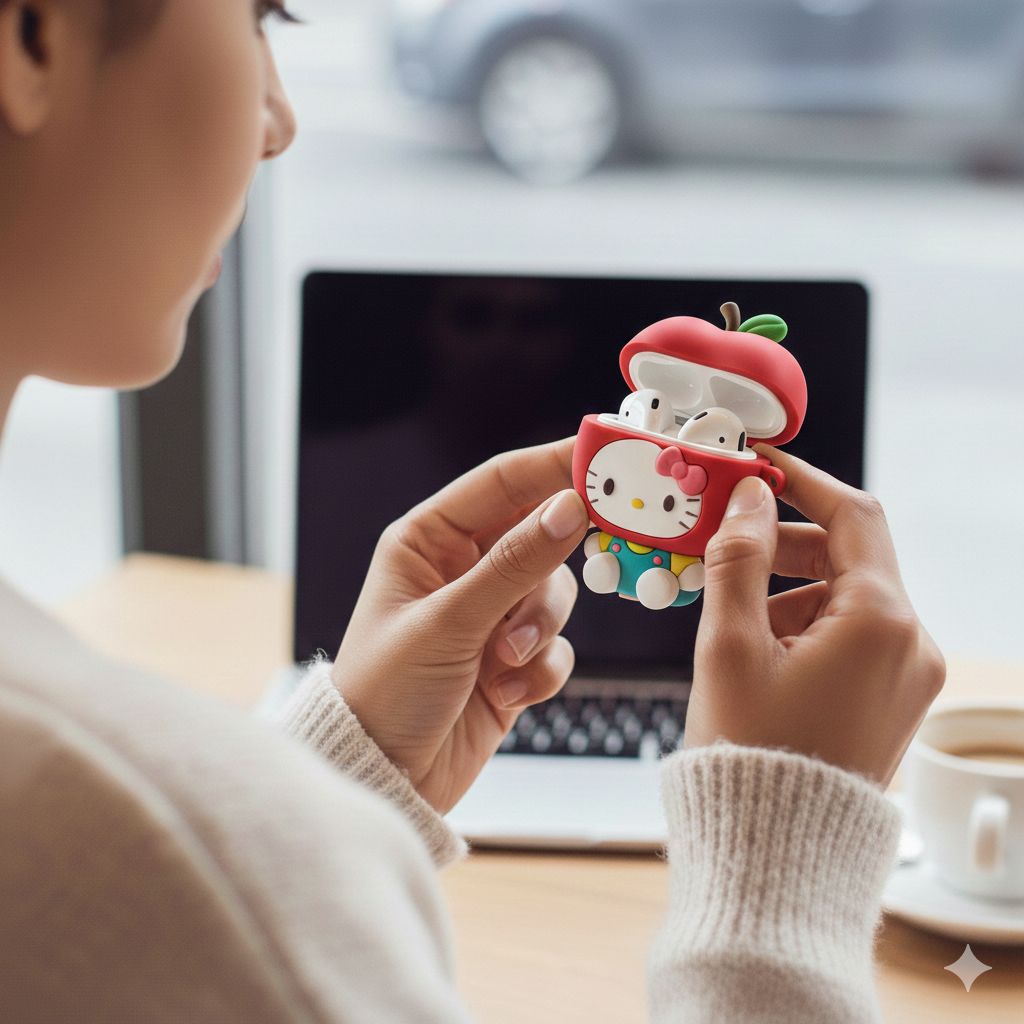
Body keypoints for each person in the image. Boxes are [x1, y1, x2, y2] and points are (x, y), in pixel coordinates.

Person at [0, 1, 945, 1021]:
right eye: (258, 15)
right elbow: (202, 922)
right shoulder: (157, 854)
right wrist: (776, 881)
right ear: (32, 34)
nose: (278, 118)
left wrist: (336, 782)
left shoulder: (153, 854)